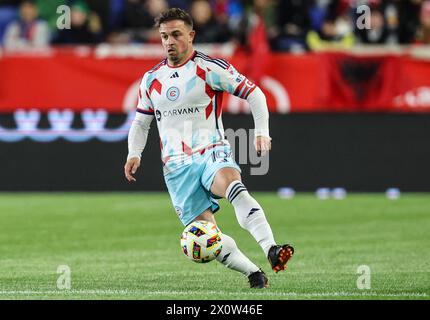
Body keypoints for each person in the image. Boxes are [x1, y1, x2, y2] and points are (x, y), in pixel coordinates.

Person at [123, 8, 294, 289]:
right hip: (176, 168)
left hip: (210, 152)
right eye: (164, 36)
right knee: (205, 238)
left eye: (176, 35)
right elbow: (141, 123)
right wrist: (134, 153)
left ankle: (271, 248)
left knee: (232, 185)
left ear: (191, 35)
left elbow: (255, 93)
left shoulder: (210, 68)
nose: (169, 42)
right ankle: (254, 273)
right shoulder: (151, 79)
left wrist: (261, 132)